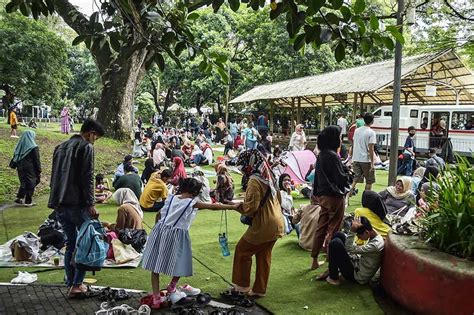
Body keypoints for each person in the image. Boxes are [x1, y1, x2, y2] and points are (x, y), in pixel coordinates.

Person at [141, 178, 241, 308]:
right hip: (177, 234)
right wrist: (232, 207)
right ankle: (171, 287)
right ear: (195, 192)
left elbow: (159, 214)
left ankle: (156, 298)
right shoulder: (191, 203)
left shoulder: (172, 198)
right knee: (182, 261)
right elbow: (213, 206)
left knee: (155, 265)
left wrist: (157, 227)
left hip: (160, 231)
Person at [48, 119, 104, 298]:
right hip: (77, 203)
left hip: (59, 202)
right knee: (84, 243)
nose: (95, 141)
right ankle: (77, 284)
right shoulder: (86, 147)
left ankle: (70, 281)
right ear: (91, 133)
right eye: (96, 138)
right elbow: (87, 178)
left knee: (70, 243)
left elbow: (54, 177)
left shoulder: (60, 147)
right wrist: (91, 203)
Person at [229, 149, 284, 297]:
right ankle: (259, 290)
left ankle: (242, 287)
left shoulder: (254, 179)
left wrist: (237, 206)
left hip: (264, 224)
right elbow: (278, 198)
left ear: (249, 163)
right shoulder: (270, 175)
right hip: (277, 222)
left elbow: (251, 207)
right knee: (263, 255)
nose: (241, 170)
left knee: (242, 251)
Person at [311, 126, 351, 270]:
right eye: (340, 136)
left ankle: (314, 260)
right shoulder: (332, 155)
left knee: (321, 228)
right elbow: (341, 178)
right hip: (335, 197)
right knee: (334, 230)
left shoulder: (322, 154)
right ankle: (331, 265)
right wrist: (348, 174)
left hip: (323, 196)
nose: (341, 139)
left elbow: (317, 177)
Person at [318, 216, 384, 285]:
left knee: (336, 243)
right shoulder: (373, 233)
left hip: (357, 276)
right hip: (357, 263)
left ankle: (333, 278)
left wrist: (352, 231)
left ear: (366, 232)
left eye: (358, 236)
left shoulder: (375, 245)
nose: (358, 238)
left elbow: (349, 248)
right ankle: (332, 270)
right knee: (339, 234)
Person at [12, 130, 41, 206]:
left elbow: (16, 157)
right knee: (32, 183)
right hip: (30, 168)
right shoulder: (33, 147)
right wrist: (39, 170)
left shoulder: (19, 145)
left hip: (20, 168)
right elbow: (36, 160)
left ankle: (20, 198)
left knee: (24, 182)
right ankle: (28, 202)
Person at [350, 113, 376, 194]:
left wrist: (351, 155)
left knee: (355, 179)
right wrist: (372, 163)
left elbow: (353, 143)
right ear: (372, 121)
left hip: (356, 158)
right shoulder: (371, 132)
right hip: (366, 160)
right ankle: (367, 198)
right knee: (369, 181)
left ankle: (347, 195)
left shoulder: (357, 130)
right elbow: (371, 148)